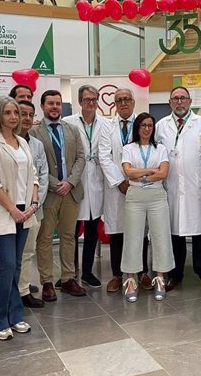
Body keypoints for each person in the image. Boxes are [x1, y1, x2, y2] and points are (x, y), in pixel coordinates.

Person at [0, 96, 39, 340]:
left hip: (25, 211)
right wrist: (12, 208)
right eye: (7, 113)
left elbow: (33, 175)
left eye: (16, 112)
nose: (13, 117)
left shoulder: (22, 142)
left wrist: (33, 202)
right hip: (4, 210)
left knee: (16, 266)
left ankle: (16, 315)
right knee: (6, 266)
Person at [156, 86, 201, 294]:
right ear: (170, 102)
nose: (179, 102)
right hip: (170, 187)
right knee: (174, 233)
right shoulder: (160, 126)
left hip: (196, 187)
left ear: (190, 101)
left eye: (183, 98)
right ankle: (175, 273)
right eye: (175, 98)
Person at [29, 90, 86, 300]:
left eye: (58, 104)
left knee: (69, 237)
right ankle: (47, 282)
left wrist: (70, 181)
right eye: (51, 103)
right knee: (44, 238)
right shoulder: (34, 133)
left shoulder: (71, 130)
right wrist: (55, 184)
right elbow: (34, 164)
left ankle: (69, 277)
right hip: (49, 194)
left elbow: (81, 157)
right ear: (43, 106)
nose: (55, 107)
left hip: (71, 192)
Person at [98, 88, 152, 292]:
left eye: (127, 99)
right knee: (118, 231)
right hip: (116, 188)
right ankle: (117, 275)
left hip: (139, 185)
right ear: (115, 104)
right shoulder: (106, 126)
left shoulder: (143, 124)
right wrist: (120, 182)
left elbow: (148, 151)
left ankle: (141, 272)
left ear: (133, 102)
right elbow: (104, 155)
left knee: (140, 231)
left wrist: (134, 180)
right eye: (119, 100)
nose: (123, 103)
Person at [120, 113, 174, 302]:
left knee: (161, 236)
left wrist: (140, 176)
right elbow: (127, 172)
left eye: (150, 125)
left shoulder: (160, 149)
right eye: (143, 125)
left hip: (157, 196)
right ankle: (131, 279)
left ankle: (160, 278)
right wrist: (151, 171)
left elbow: (164, 173)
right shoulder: (128, 148)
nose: (147, 129)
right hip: (135, 197)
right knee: (133, 237)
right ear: (137, 127)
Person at [63, 85, 106, 288]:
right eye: (87, 99)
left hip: (96, 182)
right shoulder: (68, 123)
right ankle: (69, 273)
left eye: (94, 99)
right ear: (80, 102)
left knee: (91, 230)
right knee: (70, 231)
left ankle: (87, 271)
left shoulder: (106, 124)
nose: (91, 103)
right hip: (75, 182)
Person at [17, 100, 49, 308]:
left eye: (31, 115)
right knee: (8, 258)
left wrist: (35, 204)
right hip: (10, 209)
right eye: (22, 114)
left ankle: (23, 291)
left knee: (28, 253)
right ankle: (8, 292)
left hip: (33, 208)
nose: (27, 119)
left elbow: (43, 174)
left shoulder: (36, 144)